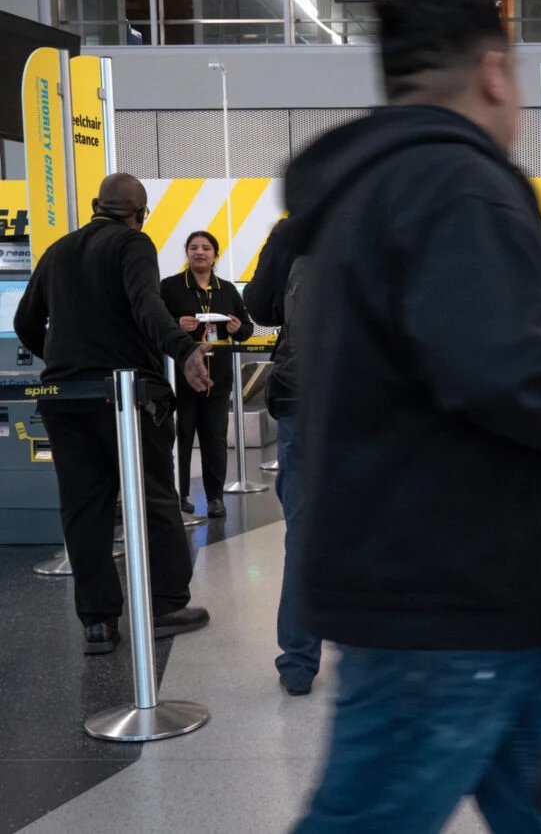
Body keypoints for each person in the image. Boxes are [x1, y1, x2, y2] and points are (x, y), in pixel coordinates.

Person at [285, 0, 541, 830]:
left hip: (481, 598)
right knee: (373, 816)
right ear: (494, 72)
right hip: (447, 606)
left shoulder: (370, 190)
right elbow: (512, 373)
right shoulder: (458, 187)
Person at [13, 173, 213, 655]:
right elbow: (146, 304)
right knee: (154, 497)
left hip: (65, 399)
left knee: (84, 508)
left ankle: (98, 623)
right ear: (139, 213)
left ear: (95, 205)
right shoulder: (132, 243)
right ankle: (165, 606)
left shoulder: (57, 250)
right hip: (124, 397)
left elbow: (24, 321)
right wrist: (183, 349)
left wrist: (64, 360)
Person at [243, 216, 319, 697]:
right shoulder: (387, 214)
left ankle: (298, 663)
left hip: (300, 395)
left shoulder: (293, 231)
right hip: (372, 402)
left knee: (304, 532)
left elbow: (259, 307)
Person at [159, 231, 253, 519]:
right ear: (186, 253)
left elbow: (247, 329)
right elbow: (155, 324)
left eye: (206, 248)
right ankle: (182, 494)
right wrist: (176, 324)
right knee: (182, 436)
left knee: (215, 440)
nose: (199, 252)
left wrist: (238, 329)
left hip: (219, 379)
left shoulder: (227, 290)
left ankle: (215, 498)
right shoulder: (170, 287)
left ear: (215, 255)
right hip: (181, 378)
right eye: (194, 247)